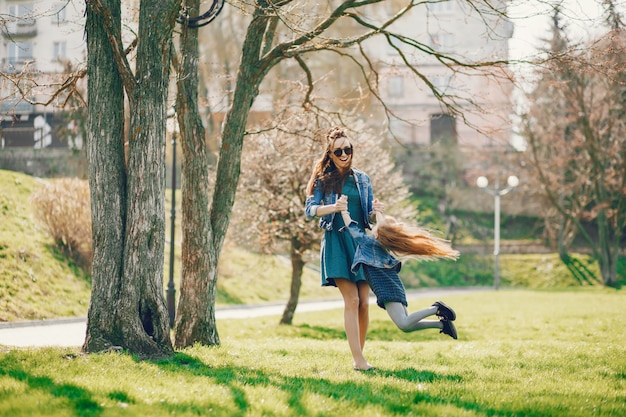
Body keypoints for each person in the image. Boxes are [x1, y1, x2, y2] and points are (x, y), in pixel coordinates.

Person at [305, 126, 384, 371]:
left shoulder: (362, 179)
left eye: (347, 149)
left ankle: (358, 358)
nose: (343, 154)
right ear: (330, 154)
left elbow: (368, 216)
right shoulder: (323, 180)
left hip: (360, 243)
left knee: (363, 302)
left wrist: (376, 210)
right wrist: (334, 208)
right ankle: (359, 360)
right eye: (338, 151)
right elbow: (310, 209)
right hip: (337, 242)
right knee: (351, 300)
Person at [338, 196, 460, 341]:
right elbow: (384, 228)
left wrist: (344, 211)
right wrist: (377, 212)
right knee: (406, 326)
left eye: (375, 227)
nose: (373, 228)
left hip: (386, 288)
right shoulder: (383, 245)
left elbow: (353, 228)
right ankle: (442, 325)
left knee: (403, 323)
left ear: (377, 233)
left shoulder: (368, 242)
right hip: (392, 286)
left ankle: (436, 308)